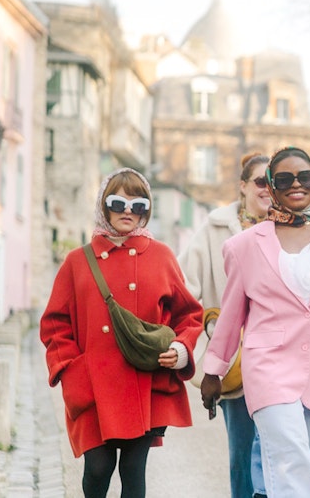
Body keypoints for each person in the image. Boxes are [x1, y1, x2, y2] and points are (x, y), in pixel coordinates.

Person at [199, 146, 310, 498]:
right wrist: (213, 370)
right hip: (268, 367)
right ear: (271, 185)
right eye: (284, 179)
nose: (296, 185)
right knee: (288, 461)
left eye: (305, 177)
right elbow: (232, 313)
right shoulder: (243, 246)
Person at [40, 167, 204, 498]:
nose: (128, 211)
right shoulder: (77, 261)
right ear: (103, 205)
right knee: (97, 469)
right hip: (91, 385)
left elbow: (189, 315)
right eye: (118, 202)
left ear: (147, 211)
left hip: (143, 384)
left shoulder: (161, 257)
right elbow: (55, 323)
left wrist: (181, 349)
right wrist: (71, 369)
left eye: (139, 204)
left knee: (133, 470)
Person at [179, 152, 271, 498]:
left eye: (273, 182)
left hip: (282, 359)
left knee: (280, 455)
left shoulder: (292, 226)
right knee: (243, 456)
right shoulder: (215, 229)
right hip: (237, 363)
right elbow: (184, 290)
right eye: (260, 181)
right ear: (243, 186)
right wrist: (205, 343)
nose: (267, 189)